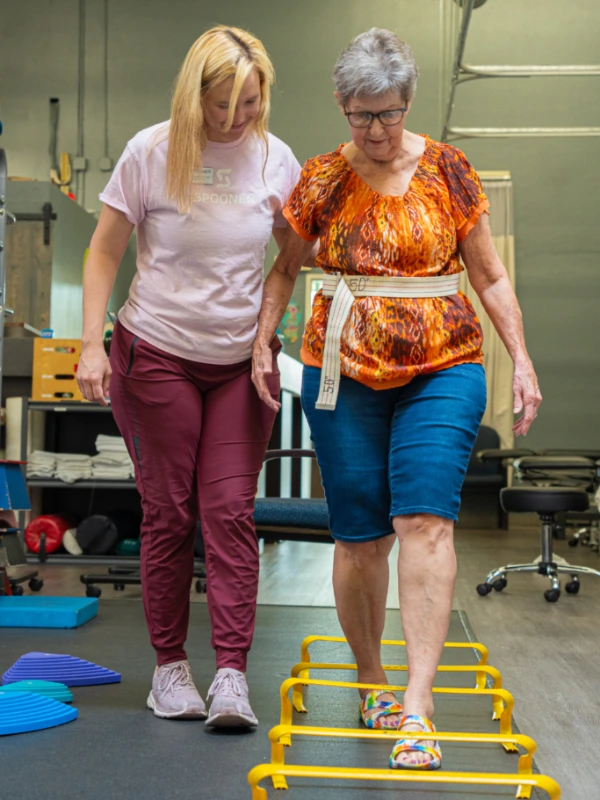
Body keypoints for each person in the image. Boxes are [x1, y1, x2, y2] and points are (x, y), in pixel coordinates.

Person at [252, 28, 542, 769]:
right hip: (342, 370)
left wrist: (524, 360)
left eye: (387, 113)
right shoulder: (320, 179)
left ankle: (417, 700)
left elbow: (492, 277)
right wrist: (262, 339)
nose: (376, 131)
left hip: (444, 362)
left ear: (408, 102)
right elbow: (284, 270)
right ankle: (372, 675)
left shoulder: (448, 169)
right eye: (361, 116)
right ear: (342, 108)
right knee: (359, 533)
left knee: (423, 520)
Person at [77, 25, 304, 728]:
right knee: (170, 512)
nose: (236, 118)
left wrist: (266, 333)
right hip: (158, 356)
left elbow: (289, 262)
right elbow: (102, 254)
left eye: (250, 102)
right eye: (222, 104)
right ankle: (169, 669)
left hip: (241, 366)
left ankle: (230, 675)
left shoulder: (276, 158)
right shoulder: (152, 151)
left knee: (231, 514)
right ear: (193, 94)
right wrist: (91, 343)